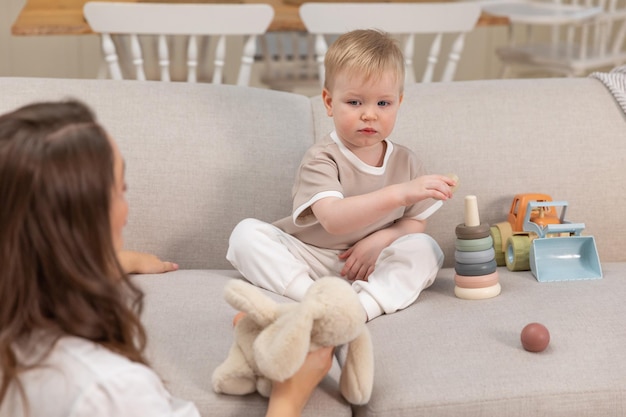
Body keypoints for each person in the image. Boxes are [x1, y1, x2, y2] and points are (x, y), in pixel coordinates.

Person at [0, 100, 333, 417]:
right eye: (121, 190)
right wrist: (290, 395)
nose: (126, 210)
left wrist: (114, 260)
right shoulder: (110, 389)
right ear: (84, 221)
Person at [227, 29, 456, 322]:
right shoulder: (322, 157)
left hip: (371, 262)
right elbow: (334, 219)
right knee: (245, 235)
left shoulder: (405, 161)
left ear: (398, 102)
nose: (369, 115)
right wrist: (400, 193)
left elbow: (414, 221)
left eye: (383, 103)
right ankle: (315, 300)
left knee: (426, 249)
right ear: (328, 102)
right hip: (312, 257)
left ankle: (362, 309)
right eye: (355, 102)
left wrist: (384, 238)